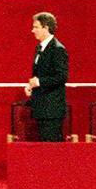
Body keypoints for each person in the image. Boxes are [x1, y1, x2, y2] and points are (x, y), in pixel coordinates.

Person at [25, 12, 68, 141]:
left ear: (46, 28)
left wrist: (39, 82)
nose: (33, 31)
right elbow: (40, 74)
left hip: (51, 111)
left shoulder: (57, 49)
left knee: (51, 150)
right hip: (42, 109)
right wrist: (31, 86)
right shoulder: (40, 48)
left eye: (36, 27)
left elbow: (62, 77)